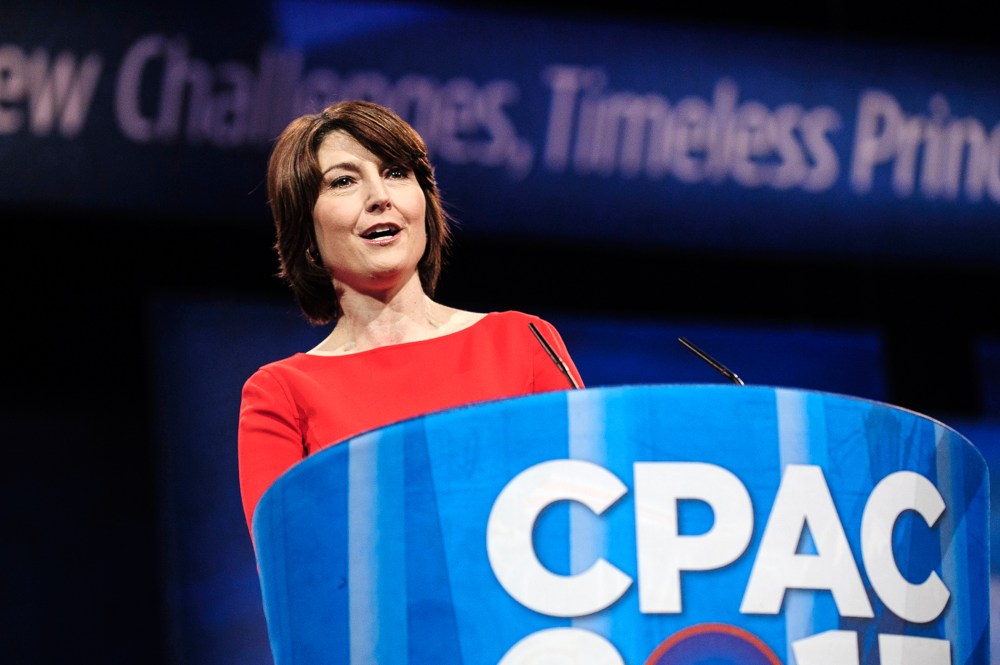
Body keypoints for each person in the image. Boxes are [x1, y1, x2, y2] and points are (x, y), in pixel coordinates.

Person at [237, 100, 584, 538]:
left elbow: (590, 502)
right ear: (307, 237)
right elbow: (292, 566)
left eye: (396, 173)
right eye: (344, 181)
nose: (380, 196)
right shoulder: (281, 393)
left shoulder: (521, 340)